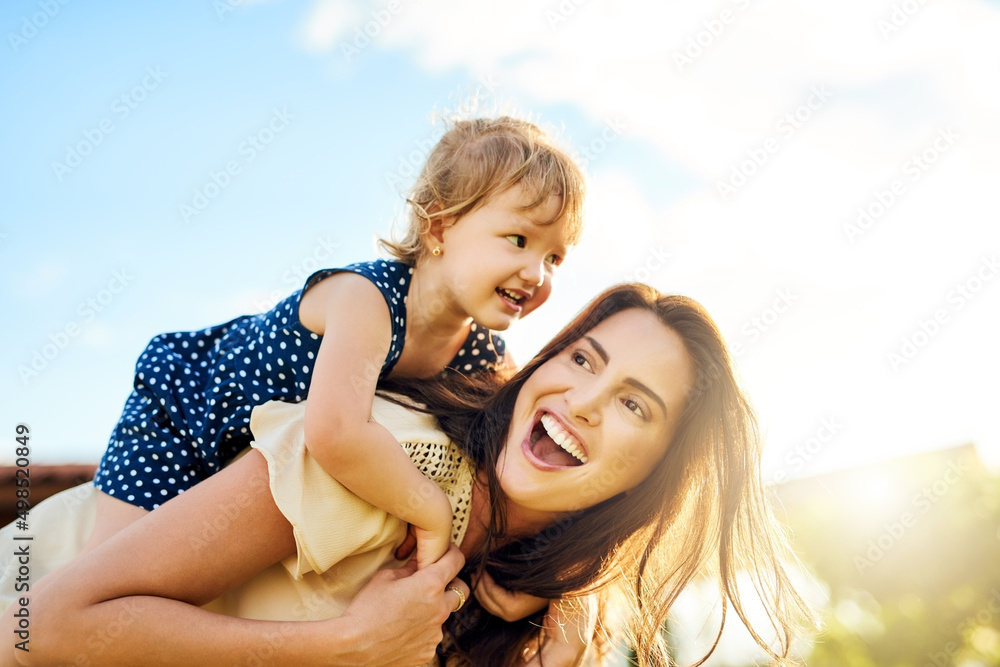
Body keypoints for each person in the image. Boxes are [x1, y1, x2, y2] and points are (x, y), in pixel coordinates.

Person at [8, 284, 814, 666]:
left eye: (635, 405)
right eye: (581, 358)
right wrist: (345, 642)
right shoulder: (388, 458)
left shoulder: (543, 613)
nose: (585, 399)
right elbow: (43, 622)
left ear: (656, 478)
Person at [88, 115, 586, 572]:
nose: (536, 273)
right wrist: (428, 508)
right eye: (519, 240)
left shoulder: (485, 356)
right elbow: (337, 434)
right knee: (108, 576)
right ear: (439, 226)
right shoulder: (365, 299)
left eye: (556, 258)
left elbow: (510, 466)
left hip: (252, 460)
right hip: (183, 404)